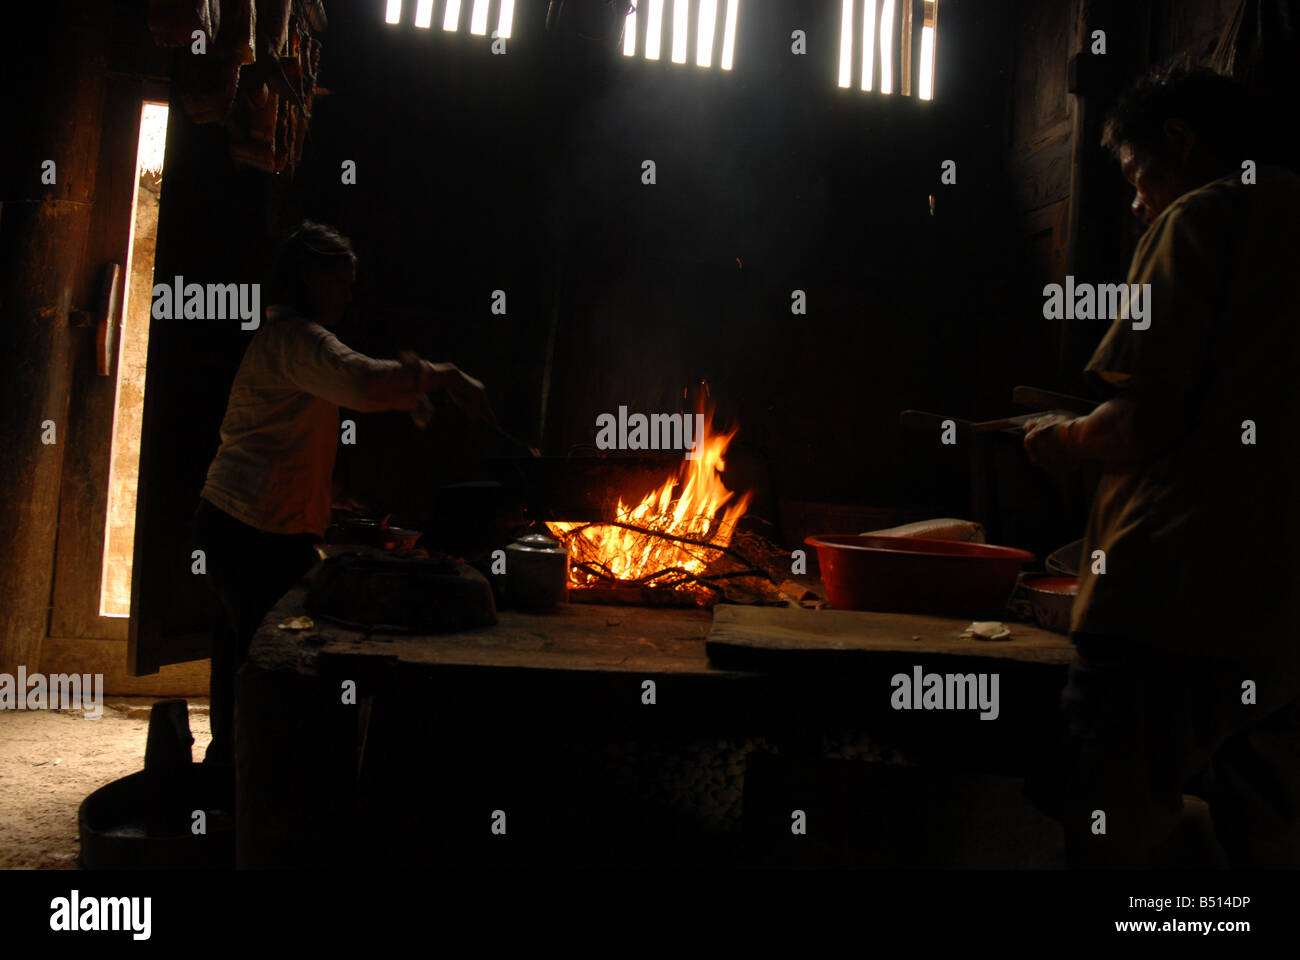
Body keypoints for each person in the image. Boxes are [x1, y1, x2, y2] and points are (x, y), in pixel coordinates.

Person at [1021, 67, 1300, 867]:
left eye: (1139, 176)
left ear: (1179, 141)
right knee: (1269, 833)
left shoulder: (1201, 218)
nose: (1140, 203)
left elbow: (1137, 424)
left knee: (1107, 813)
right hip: (1283, 617)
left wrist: (1059, 439)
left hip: (1176, 596)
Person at [193, 221, 495, 766]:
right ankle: (246, 784)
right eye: (340, 280)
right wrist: (447, 377)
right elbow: (360, 381)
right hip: (246, 529)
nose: (349, 294)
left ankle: (233, 779)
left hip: (240, 523)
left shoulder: (288, 343)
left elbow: (280, 434)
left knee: (244, 657)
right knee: (261, 665)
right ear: (310, 278)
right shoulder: (295, 339)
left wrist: (326, 491)